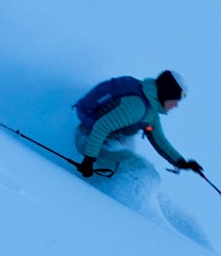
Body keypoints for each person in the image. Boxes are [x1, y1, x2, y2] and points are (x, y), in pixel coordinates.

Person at [73, 70, 202, 178]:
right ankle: (113, 194)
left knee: (136, 165)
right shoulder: (137, 106)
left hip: (101, 142)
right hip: (87, 139)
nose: (176, 105)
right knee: (137, 167)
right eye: (175, 100)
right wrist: (88, 160)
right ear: (167, 93)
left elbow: (160, 141)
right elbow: (101, 127)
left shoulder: (150, 112)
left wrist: (181, 162)